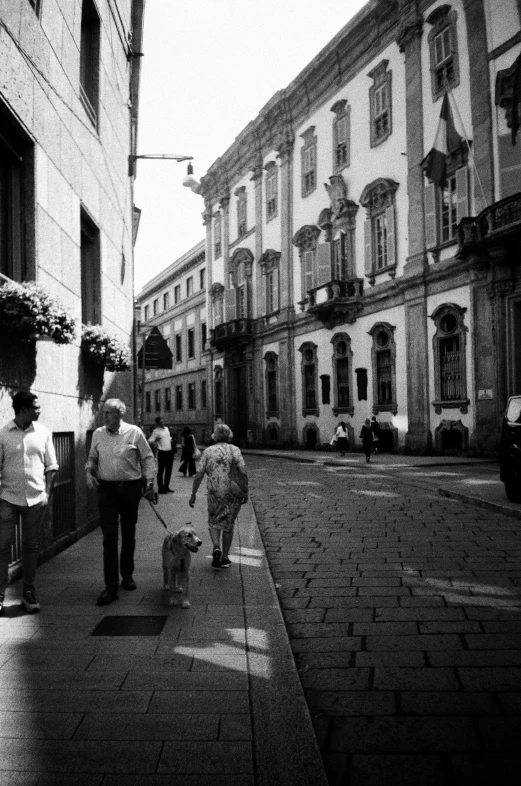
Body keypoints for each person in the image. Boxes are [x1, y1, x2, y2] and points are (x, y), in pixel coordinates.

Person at [86, 399, 156, 606]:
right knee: (109, 538)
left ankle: (127, 575)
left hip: (130, 489)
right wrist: (89, 472)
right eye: (104, 412)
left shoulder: (134, 432)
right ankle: (110, 586)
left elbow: (148, 458)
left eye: (108, 413)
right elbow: (92, 458)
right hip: (106, 490)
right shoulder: (98, 434)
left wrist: (150, 482)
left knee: (128, 534)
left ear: (119, 415)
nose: (104, 416)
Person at [0, 391, 58, 615]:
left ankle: (28, 592)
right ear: (23, 410)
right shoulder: (4, 434)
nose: (40, 410)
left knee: (31, 547)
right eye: (36, 407)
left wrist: (46, 495)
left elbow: (51, 466)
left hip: (35, 500)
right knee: (3, 547)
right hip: (8, 500)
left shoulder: (43, 432)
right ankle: (0, 595)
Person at [189, 423, 248, 570]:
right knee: (228, 525)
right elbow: (243, 471)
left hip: (214, 493)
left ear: (215, 435)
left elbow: (199, 474)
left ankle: (216, 547)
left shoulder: (208, 451)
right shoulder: (235, 450)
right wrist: (245, 490)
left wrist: (193, 493)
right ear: (229, 435)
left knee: (214, 521)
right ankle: (225, 557)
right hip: (232, 493)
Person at [148, 416, 175, 493]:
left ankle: (166, 486)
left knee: (169, 471)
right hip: (162, 452)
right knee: (161, 471)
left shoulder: (167, 429)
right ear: (158, 424)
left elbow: (167, 438)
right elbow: (150, 440)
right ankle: (161, 488)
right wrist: (156, 440)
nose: (162, 423)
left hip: (169, 451)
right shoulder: (156, 431)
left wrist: (170, 440)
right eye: (160, 422)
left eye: (163, 421)